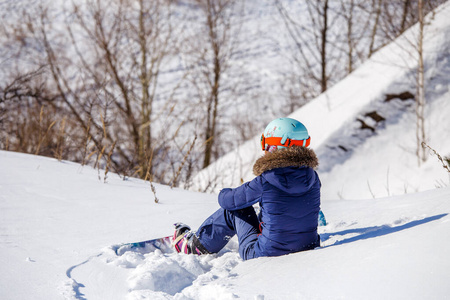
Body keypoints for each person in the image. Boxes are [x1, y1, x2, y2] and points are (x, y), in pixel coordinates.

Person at [173, 117, 321, 260]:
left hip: (264, 254)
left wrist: (224, 192)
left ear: (274, 146)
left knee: (237, 209)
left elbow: (229, 202)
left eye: (266, 143)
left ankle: (195, 246)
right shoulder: (313, 178)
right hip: (308, 246)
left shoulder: (267, 179)